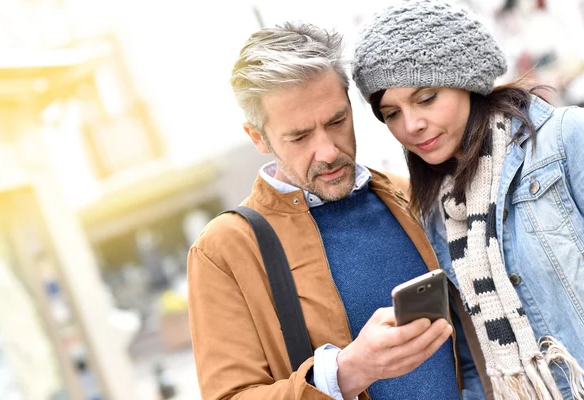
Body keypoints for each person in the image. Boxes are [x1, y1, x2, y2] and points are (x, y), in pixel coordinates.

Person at [187, 21, 487, 400]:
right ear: (257, 138)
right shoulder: (224, 249)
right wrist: (347, 373)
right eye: (299, 137)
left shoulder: (410, 196)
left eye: (337, 121)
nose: (328, 151)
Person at [351, 1, 584, 399]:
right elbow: (474, 359)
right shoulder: (435, 213)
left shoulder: (565, 140)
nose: (411, 125)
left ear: (467, 79)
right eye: (391, 113)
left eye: (426, 98)